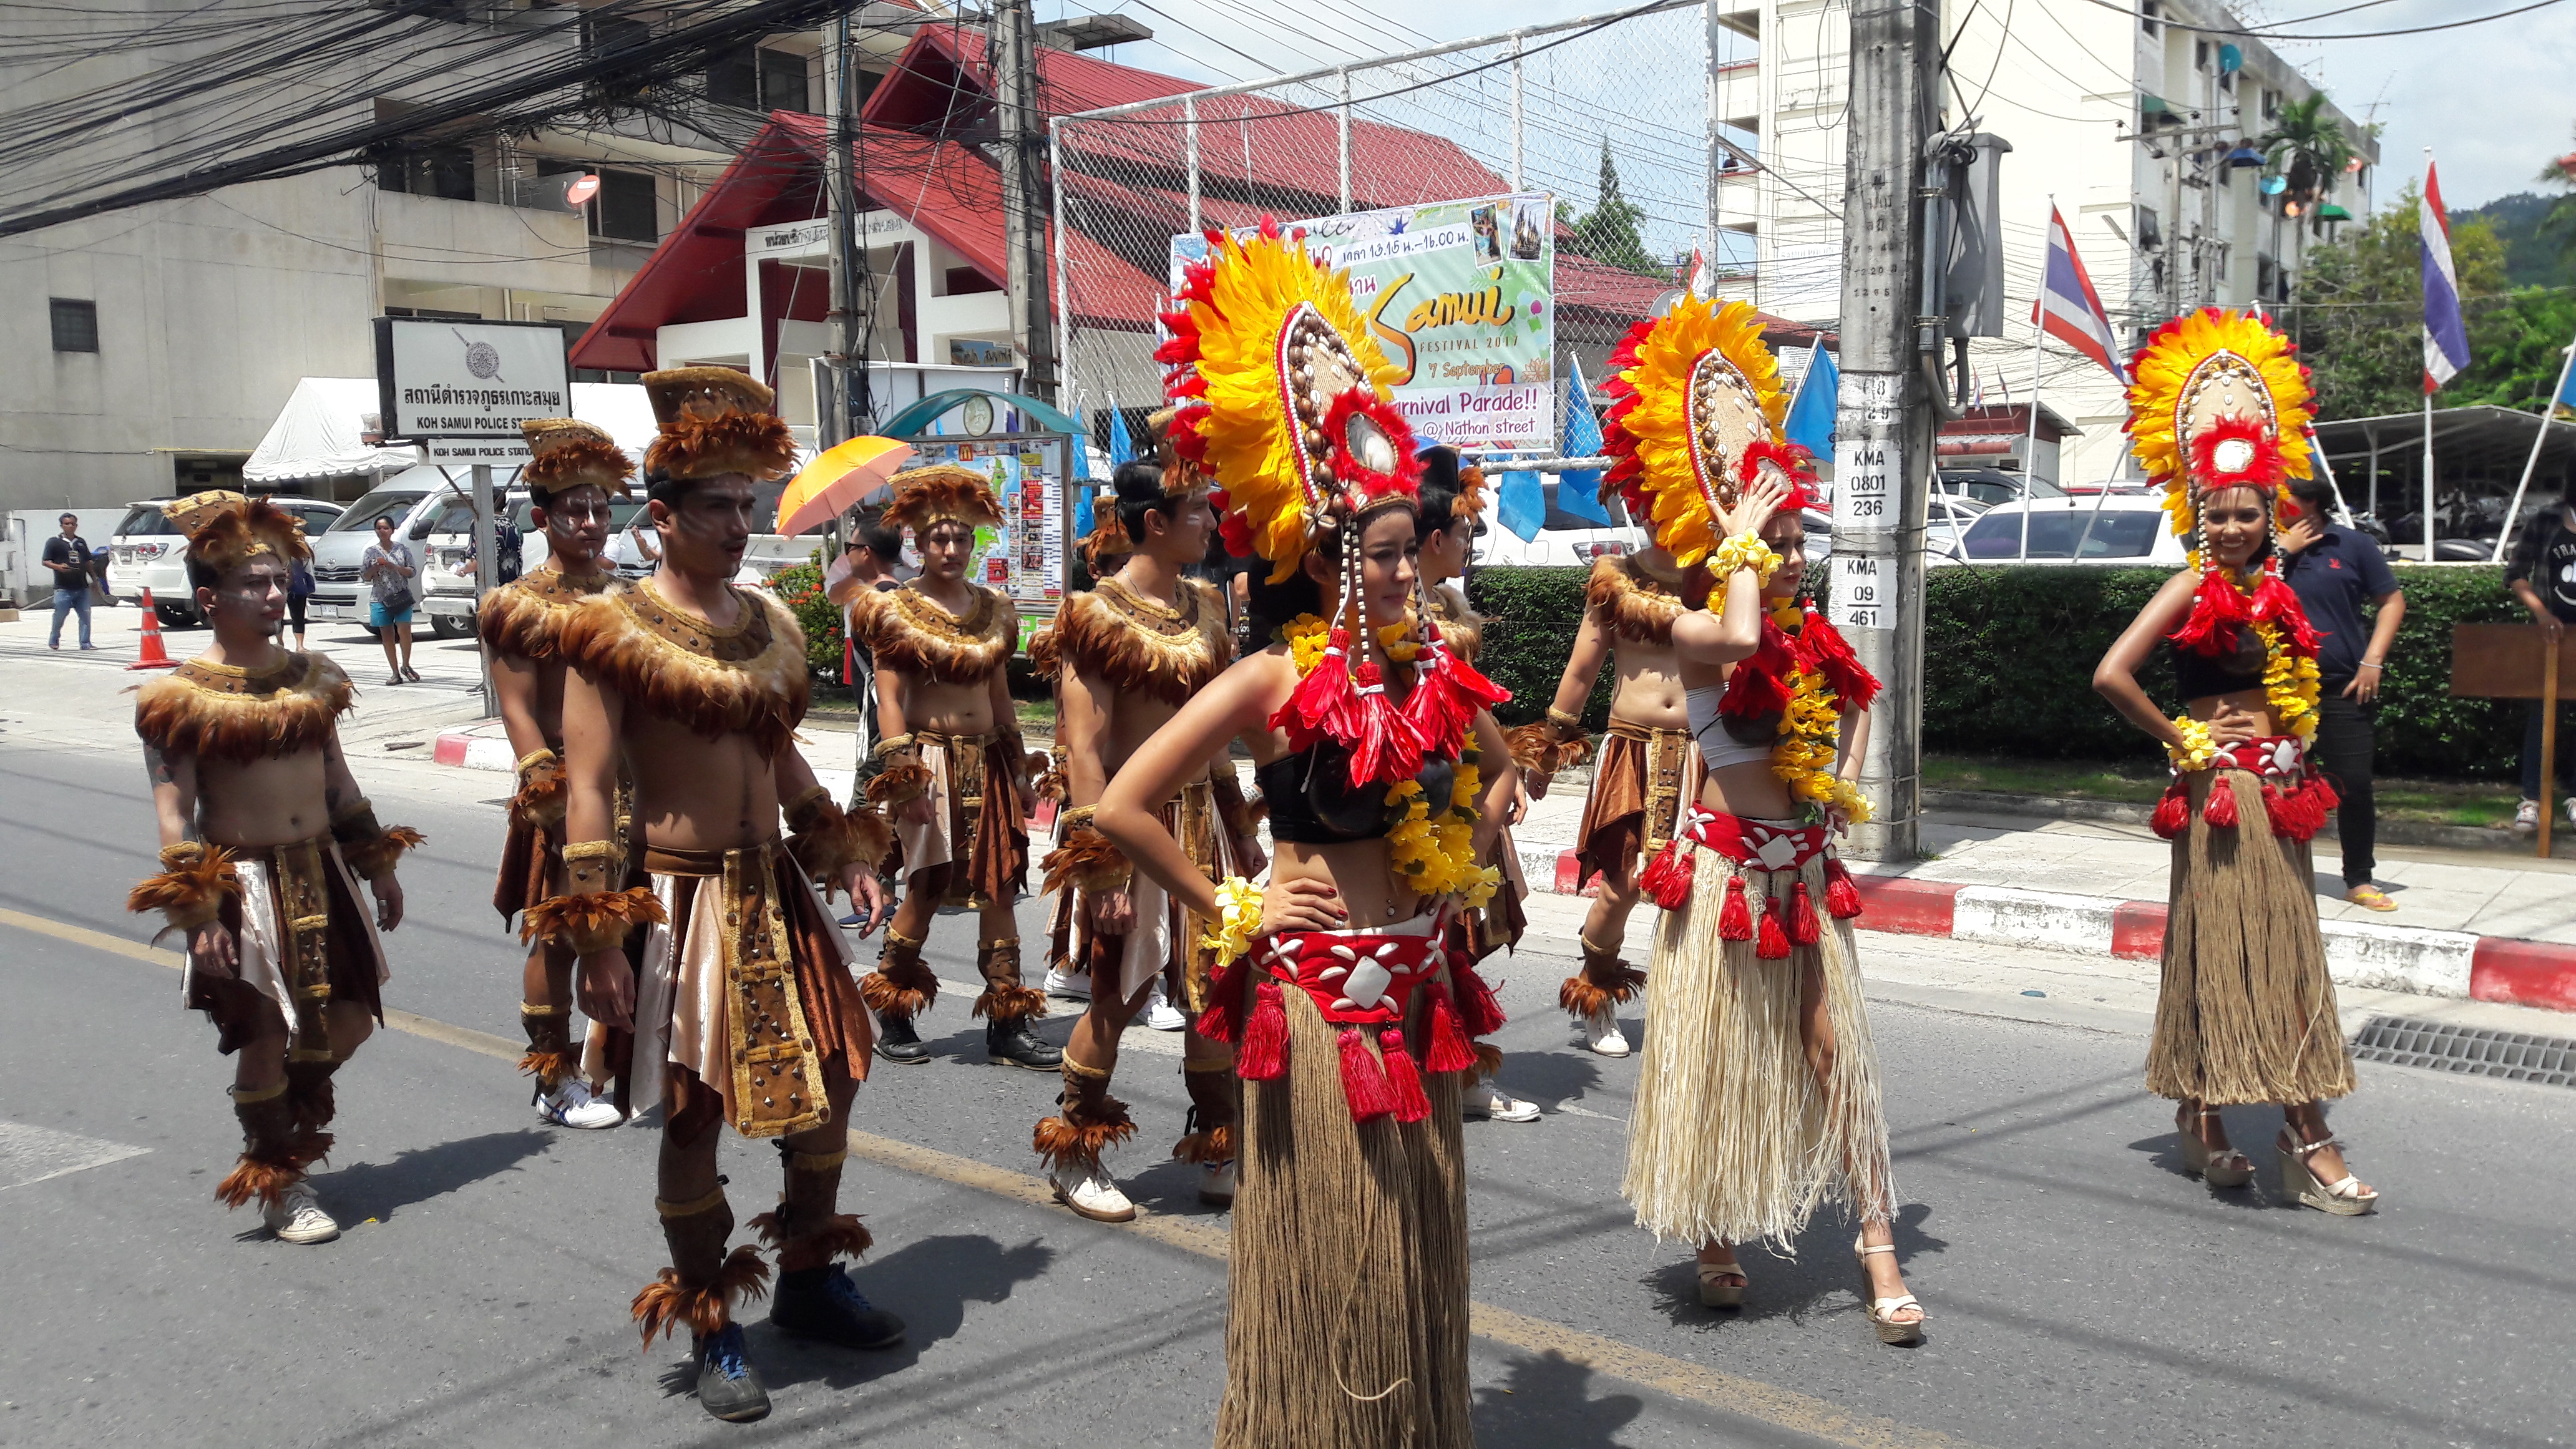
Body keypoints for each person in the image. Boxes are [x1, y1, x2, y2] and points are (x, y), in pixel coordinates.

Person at [1100, 223, 1516, 1447]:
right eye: (1385, 557)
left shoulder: (1421, 663)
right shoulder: (1271, 681)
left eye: (1413, 554)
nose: (1410, 575)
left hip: (1418, 996)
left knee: (1414, 1267)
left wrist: (1467, 865)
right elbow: (1120, 804)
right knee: (1341, 1273)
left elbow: (1482, 784)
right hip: (1323, 1008)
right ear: (1334, 554)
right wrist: (1233, 904)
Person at [552, 367, 900, 1423]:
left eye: (747, 505)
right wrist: (600, 941)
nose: (739, 523)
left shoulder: (765, 623)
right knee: (695, 1112)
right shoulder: (610, 629)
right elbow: (592, 785)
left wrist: (839, 842)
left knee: (836, 1072)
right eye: (718, 506)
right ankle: (711, 1317)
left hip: (775, 889)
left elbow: (778, 752)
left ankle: (805, 1271)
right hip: (679, 899)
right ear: (658, 516)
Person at [1594, 298, 1920, 1344]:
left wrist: (1840, 791)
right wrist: (1732, 542)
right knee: (1717, 1057)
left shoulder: (1812, 637)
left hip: (1803, 877)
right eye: (1767, 541)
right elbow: (1735, 644)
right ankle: (1713, 1233)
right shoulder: (1691, 627)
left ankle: (1878, 1246)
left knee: (1840, 1059)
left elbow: (1860, 697)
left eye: (1789, 539)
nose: (1783, 556)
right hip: (1726, 882)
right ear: (1721, 539)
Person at [2093, 308, 2377, 1219]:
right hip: (2222, 788)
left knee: (2282, 952)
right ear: (2196, 511)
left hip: (2283, 785)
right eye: (2216, 513)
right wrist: (2182, 739)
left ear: (2271, 514)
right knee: (2231, 951)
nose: (2232, 526)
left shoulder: (2281, 592)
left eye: (2247, 513)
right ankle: (2293, 1127)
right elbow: (2111, 674)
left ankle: (2216, 1112)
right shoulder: (2187, 585)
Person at [126, 492, 419, 1246]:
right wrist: (195, 916)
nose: (272, 593)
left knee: (350, 1023)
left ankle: (275, 1126)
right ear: (208, 598)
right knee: (262, 1036)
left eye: (279, 579)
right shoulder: (176, 698)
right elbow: (175, 815)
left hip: (322, 873)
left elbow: (341, 785)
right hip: (243, 888)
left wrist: (378, 865)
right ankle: (281, 1180)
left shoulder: (314, 679)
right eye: (254, 584)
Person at [1028, 455, 1267, 1222]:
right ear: (1155, 523)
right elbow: (1086, 753)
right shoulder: (1094, 613)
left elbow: (1217, 735)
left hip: (1203, 820)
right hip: (1131, 830)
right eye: (1198, 509)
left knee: (1216, 985)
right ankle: (1076, 1149)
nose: (1211, 521)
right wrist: (1099, 875)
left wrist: (1241, 828)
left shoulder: (1205, 607)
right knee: (1119, 992)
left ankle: (1218, 1140)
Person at [847, 467, 1055, 1071]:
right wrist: (905, 778)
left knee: (1000, 884)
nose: (951, 550)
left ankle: (1008, 1020)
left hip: (986, 761)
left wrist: (1018, 773)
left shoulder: (994, 610)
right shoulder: (894, 611)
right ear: (917, 543)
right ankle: (893, 1008)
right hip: (929, 763)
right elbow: (889, 700)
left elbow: (1000, 699)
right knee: (925, 885)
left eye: (961, 539)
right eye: (939, 539)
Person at [480, 419, 636, 1131]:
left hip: (632, 787)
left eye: (602, 508)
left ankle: (622, 1060)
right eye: (576, 509)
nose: (592, 522)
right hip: (563, 789)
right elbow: (515, 706)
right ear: (542, 519)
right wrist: (543, 782)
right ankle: (553, 1075)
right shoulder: (519, 605)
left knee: (630, 927)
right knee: (561, 933)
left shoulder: (631, 597)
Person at [1516, 516, 1712, 1056]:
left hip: (1706, 752)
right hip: (1633, 750)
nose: (1657, 512)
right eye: (1646, 500)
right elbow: (1582, 671)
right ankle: (1597, 992)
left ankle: (1695, 1007)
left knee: (1702, 888)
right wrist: (1547, 755)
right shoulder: (1615, 577)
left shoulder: (1722, 575)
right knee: (1623, 884)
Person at [1414, 446, 1542, 1125]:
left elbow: (1470, 706)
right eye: (1466, 531)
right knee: (1445, 937)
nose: (1471, 541)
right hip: (1429, 792)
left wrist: (1505, 768)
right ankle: (1451, 1074)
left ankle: (1455, 1069)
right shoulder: (1405, 617)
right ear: (1435, 537)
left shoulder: (1452, 601)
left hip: (1467, 786)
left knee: (1462, 934)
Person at [2275, 472, 2404, 909]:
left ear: (2311, 501)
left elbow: (2392, 601)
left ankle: (2360, 878)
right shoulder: (2259, 546)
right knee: (2278, 783)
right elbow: (2240, 591)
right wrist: (2282, 551)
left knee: (2353, 782)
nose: (2275, 500)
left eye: (2283, 494)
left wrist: (2373, 661)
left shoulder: (2353, 545)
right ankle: (2278, 871)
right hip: (2274, 691)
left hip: (2342, 686)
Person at [2505, 483, 2576, 832]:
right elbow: (2516, 572)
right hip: (2550, 636)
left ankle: (2575, 796)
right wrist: (2542, 613)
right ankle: (2532, 799)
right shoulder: (2546, 519)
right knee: (2543, 715)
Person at [361, 513, 419, 685]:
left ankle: (406, 665)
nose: (382, 531)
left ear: (392, 530)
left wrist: (396, 567)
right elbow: (365, 576)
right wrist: (375, 567)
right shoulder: (371, 552)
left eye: (385, 528)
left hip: (400, 595)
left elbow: (412, 572)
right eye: (379, 528)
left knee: (404, 632)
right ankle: (395, 672)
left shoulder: (402, 549)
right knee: (387, 636)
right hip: (380, 597)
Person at [42, 512, 96, 650]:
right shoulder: (54, 542)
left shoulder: (80, 542)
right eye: (67, 524)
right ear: (61, 526)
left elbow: (88, 562)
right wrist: (58, 567)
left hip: (81, 586)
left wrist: (95, 580)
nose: (70, 526)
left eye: (73, 524)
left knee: (85, 615)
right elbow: (45, 561)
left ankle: (85, 643)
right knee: (59, 616)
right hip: (63, 587)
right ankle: (54, 639)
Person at [285, 551, 315, 650]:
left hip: (297, 587)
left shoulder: (301, 550)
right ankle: (280, 643)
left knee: (298, 617)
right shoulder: (276, 547)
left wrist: (310, 586)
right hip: (281, 587)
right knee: (278, 617)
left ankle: (299, 645)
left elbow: (308, 569)